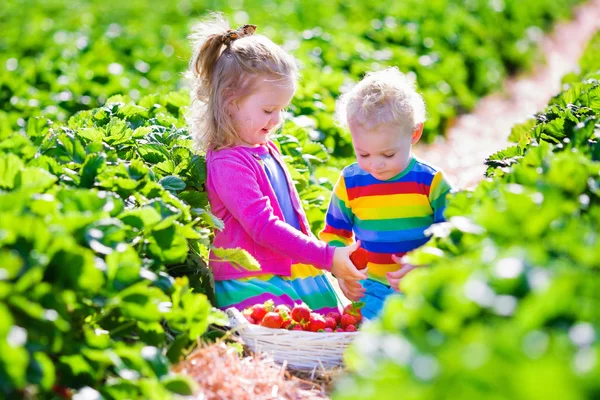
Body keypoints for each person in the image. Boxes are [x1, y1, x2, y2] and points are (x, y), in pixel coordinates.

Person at [186, 13, 366, 316]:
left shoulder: (264, 147)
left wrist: (324, 261)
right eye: (269, 109)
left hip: (289, 268)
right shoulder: (228, 161)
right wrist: (326, 256)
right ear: (231, 102)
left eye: (281, 109)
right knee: (287, 325)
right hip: (251, 278)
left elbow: (292, 217)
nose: (277, 120)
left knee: (331, 321)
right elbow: (263, 227)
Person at [319, 67, 453, 320]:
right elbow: (334, 233)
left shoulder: (430, 181)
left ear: (414, 133)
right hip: (374, 287)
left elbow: (452, 230)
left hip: (425, 281)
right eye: (363, 154)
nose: (375, 164)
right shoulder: (351, 181)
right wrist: (343, 271)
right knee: (370, 333)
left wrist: (427, 261)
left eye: (388, 154)